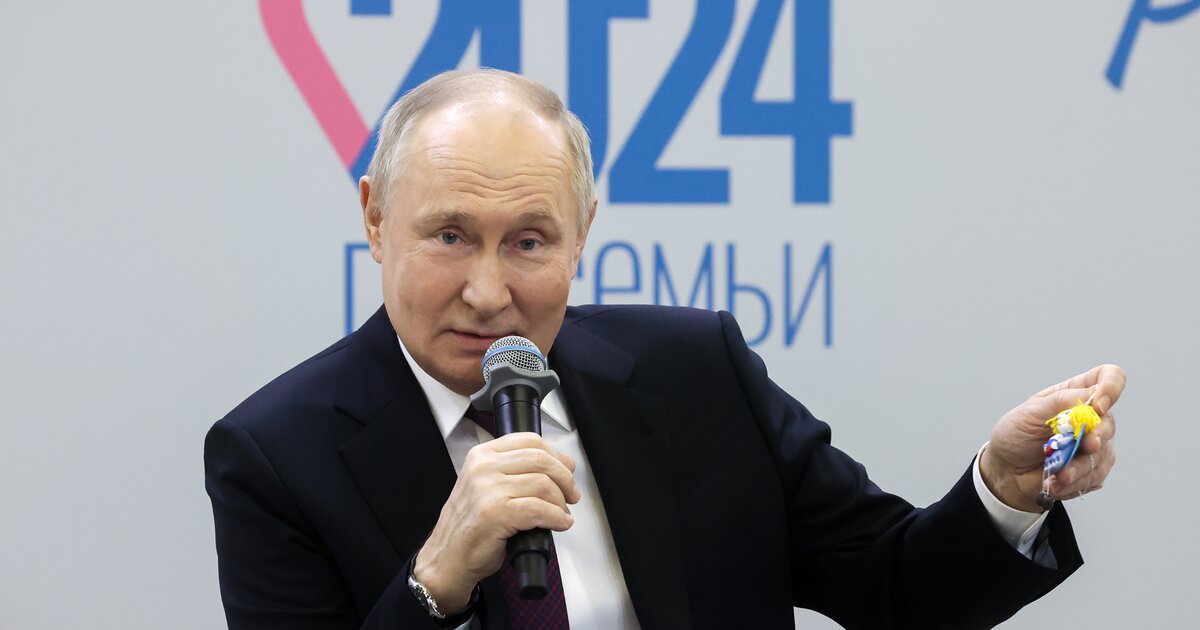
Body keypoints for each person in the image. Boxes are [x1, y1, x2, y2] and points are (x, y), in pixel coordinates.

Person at [205, 69, 1124, 630]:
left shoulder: (694, 373)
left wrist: (1004, 490)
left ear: (582, 234)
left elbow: (898, 593)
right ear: (375, 219)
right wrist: (433, 585)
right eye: (449, 236)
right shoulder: (276, 455)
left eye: (529, 242)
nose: (487, 291)